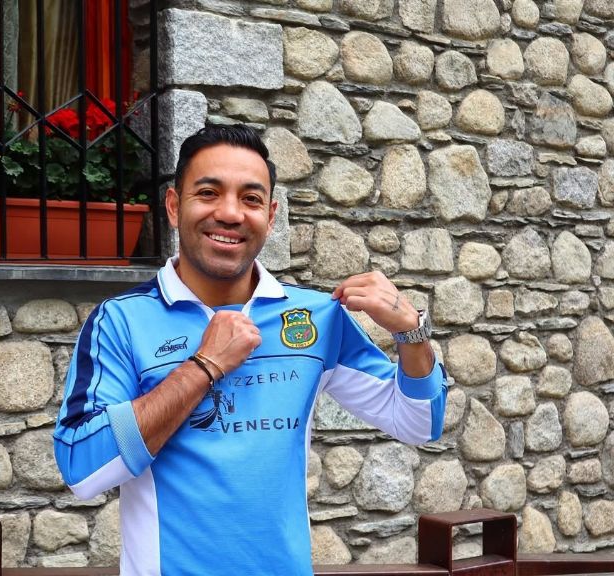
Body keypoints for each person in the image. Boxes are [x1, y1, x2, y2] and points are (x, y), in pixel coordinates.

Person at [54, 124, 447, 576]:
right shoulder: (121, 321)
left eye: (251, 198)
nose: (230, 213)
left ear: (271, 215)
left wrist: (411, 334)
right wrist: (204, 365)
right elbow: (82, 469)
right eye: (208, 193)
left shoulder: (314, 317)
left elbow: (418, 423)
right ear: (174, 206)